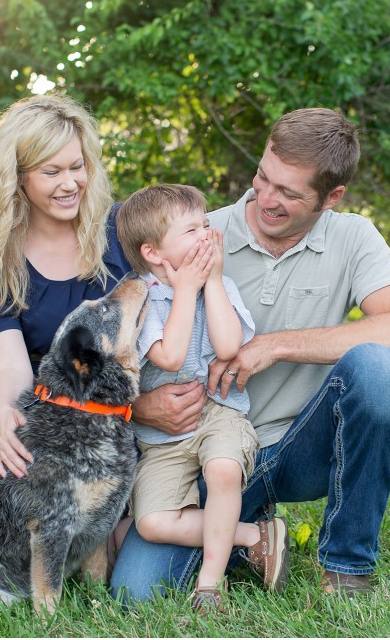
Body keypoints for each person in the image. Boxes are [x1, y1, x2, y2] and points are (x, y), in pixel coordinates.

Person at [109, 108, 390, 603]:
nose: (267, 199)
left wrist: (273, 346)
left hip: (302, 446)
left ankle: (346, 567)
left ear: (332, 197)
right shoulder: (195, 237)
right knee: (137, 591)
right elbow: (118, 346)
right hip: (202, 454)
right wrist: (139, 407)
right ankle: (251, 535)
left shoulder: (353, 237)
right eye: (263, 177)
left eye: (290, 193)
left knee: (379, 368)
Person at [115, 184, 288, 614]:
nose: (208, 235)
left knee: (225, 469)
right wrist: (186, 289)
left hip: (218, 410)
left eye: (207, 224)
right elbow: (169, 355)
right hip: (161, 436)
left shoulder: (221, 284)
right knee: (152, 521)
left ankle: (210, 585)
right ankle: (252, 536)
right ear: (153, 252)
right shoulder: (141, 293)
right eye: (193, 229)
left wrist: (210, 282)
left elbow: (228, 347)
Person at [0, 93, 131, 479]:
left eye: (77, 166)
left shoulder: (122, 230)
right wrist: (6, 410)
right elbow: (10, 362)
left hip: (142, 416)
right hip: (65, 428)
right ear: (18, 177)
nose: (70, 183)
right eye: (51, 172)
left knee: (145, 536)